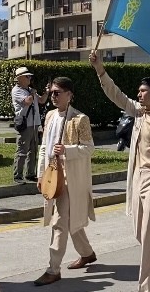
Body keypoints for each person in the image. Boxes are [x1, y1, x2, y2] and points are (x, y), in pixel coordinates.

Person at [89, 50, 150, 292]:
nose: (139, 94)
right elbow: (115, 93)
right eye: (138, 91)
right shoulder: (138, 112)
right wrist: (99, 68)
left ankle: (145, 287)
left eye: (144, 91)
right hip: (138, 177)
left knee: (148, 233)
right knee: (140, 233)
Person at [33, 77, 97, 286]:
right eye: (52, 92)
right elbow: (44, 146)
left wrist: (67, 150)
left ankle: (53, 269)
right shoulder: (50, 115)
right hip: (52, 176)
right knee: (70, 220)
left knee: (59, 221)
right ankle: (87, 253)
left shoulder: (80, 119)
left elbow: (89, 148)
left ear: (69, 95)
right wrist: (40, 174)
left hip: (70, 179)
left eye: (58, 92)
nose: (53, 96)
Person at [11, 67, 49, 183]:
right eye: (27, 76)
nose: (30, 78)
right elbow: (27, 101)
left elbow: (41, 100)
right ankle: (18, 175)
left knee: (33, 150)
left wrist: (47, 92)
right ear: (20, 78)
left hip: (34, 124)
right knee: (22, 150)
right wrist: (32, 93)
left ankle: (30, 174)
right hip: (25, 124)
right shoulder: (17, 91)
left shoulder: (30, 90)